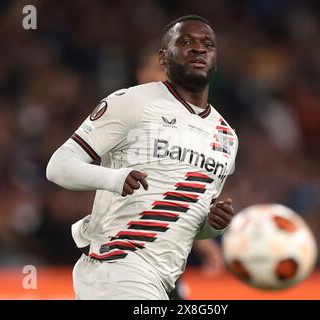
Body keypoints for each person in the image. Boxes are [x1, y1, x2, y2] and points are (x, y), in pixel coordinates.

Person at [46, 15, 238, 300]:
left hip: (162, 280)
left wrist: (211, 225)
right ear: (163, 57)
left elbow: (183, 224)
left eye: (207, 44)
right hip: (117, 267)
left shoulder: (227, 137)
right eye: (186, 42)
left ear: (216, 60)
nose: (199, 49)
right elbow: (58, 167)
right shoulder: (132, 102)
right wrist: (114, 178)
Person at [136, 46, 226, 299]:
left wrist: (204, 241)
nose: (164, 77)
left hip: (163, 252)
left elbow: (178, 191)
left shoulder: (185, 127)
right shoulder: (127, 116)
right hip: (122, 248)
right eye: (157, 69)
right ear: (141, 74)